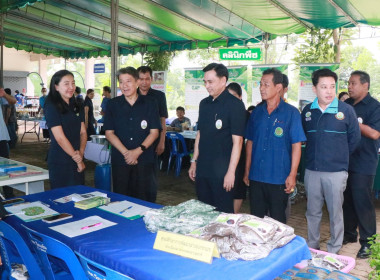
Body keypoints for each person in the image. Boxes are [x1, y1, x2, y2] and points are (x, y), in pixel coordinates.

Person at [301, 68, 360, 254]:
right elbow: (304, 138)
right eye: (324, 87)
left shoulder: (346, 111)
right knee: (313, 212)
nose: (329, 91)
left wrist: (339, 157)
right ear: (315, 89)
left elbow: (355, 139)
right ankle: (313, 245)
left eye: (332, 87)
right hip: (312, 171)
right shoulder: (307, 111)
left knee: (335, 213)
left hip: (336, 172)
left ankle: (334, 248)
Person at [244, 68, 305, 223]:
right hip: (256, 176)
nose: (261, 88)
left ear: (278, 87)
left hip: (279, 178)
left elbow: (296, 146)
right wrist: (247, 170)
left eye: (266, 84)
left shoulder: (291, 113)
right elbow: (249, 142)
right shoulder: (257, 112)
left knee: (278, 222)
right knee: (256, 221)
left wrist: (292, 175)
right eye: (260, 84)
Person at [188, 63, 246, 213]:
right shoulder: (204, 104)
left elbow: (238, 142)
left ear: (223, 80)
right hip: (204, 168)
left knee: (222, 214)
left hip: (223, 171)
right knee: (203, 211)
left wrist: (231, 172)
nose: (207, 86)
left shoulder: (235, 105)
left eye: (210, 81)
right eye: (205, 82)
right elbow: (200, 134)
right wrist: (194, 161)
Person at [105, 67, 160, 202]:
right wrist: (126, 153)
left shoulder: (150, 103)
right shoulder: (113, 104)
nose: (125, 85)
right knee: (122, 198)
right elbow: (109, 133)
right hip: (121, 160)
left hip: (144, 159)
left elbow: (154, 132)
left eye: (128, 81)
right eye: (121, 82)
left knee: (145, 197)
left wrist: (137, 151)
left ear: (137, 82)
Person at [343, 71, 380, 259]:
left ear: (365, 85)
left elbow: (374, 134)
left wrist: (351, 121)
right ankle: (348, 235)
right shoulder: (346, 105)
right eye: (349, 83)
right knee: (346, 200)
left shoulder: (375, 107)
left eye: (353, 83)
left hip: (364, 163)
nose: (349, 86)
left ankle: (368, 243)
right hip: (344, 161)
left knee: (363, 203)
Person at [44, 70, 87, 189]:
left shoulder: (77, 104)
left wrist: (81, 153)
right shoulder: (51, 105)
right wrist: (77, 159)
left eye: (73, 83)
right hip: (61, 159)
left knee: (79, 195)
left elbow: (83, 132)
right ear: (56, 87)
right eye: (66, 84)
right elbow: (60, 138)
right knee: (62, 197)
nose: (71, 87)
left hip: (77, 155)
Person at [137, 66, 168, 202]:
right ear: (137, 80)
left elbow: (163, 120)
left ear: (152, 79)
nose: (144, 82)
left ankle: (150, 203)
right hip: (135, 142)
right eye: (141, 79)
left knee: (150, 176)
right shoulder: (131, 94)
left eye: (147, 79)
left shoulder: (159, 96)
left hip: (153, 142)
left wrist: (162, 141)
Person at [226, 82, 249, 213]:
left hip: (240, 155)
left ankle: (234, 216)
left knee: (238, 188)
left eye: (233, 96)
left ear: (240, 97)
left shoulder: (245, 114)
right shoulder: (224, 112)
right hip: (225, 155)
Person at [0, 88, 17, 198]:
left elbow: (13, 101)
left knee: (5, 169)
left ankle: (9, 196)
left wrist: (4, 95)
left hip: (1, 137)